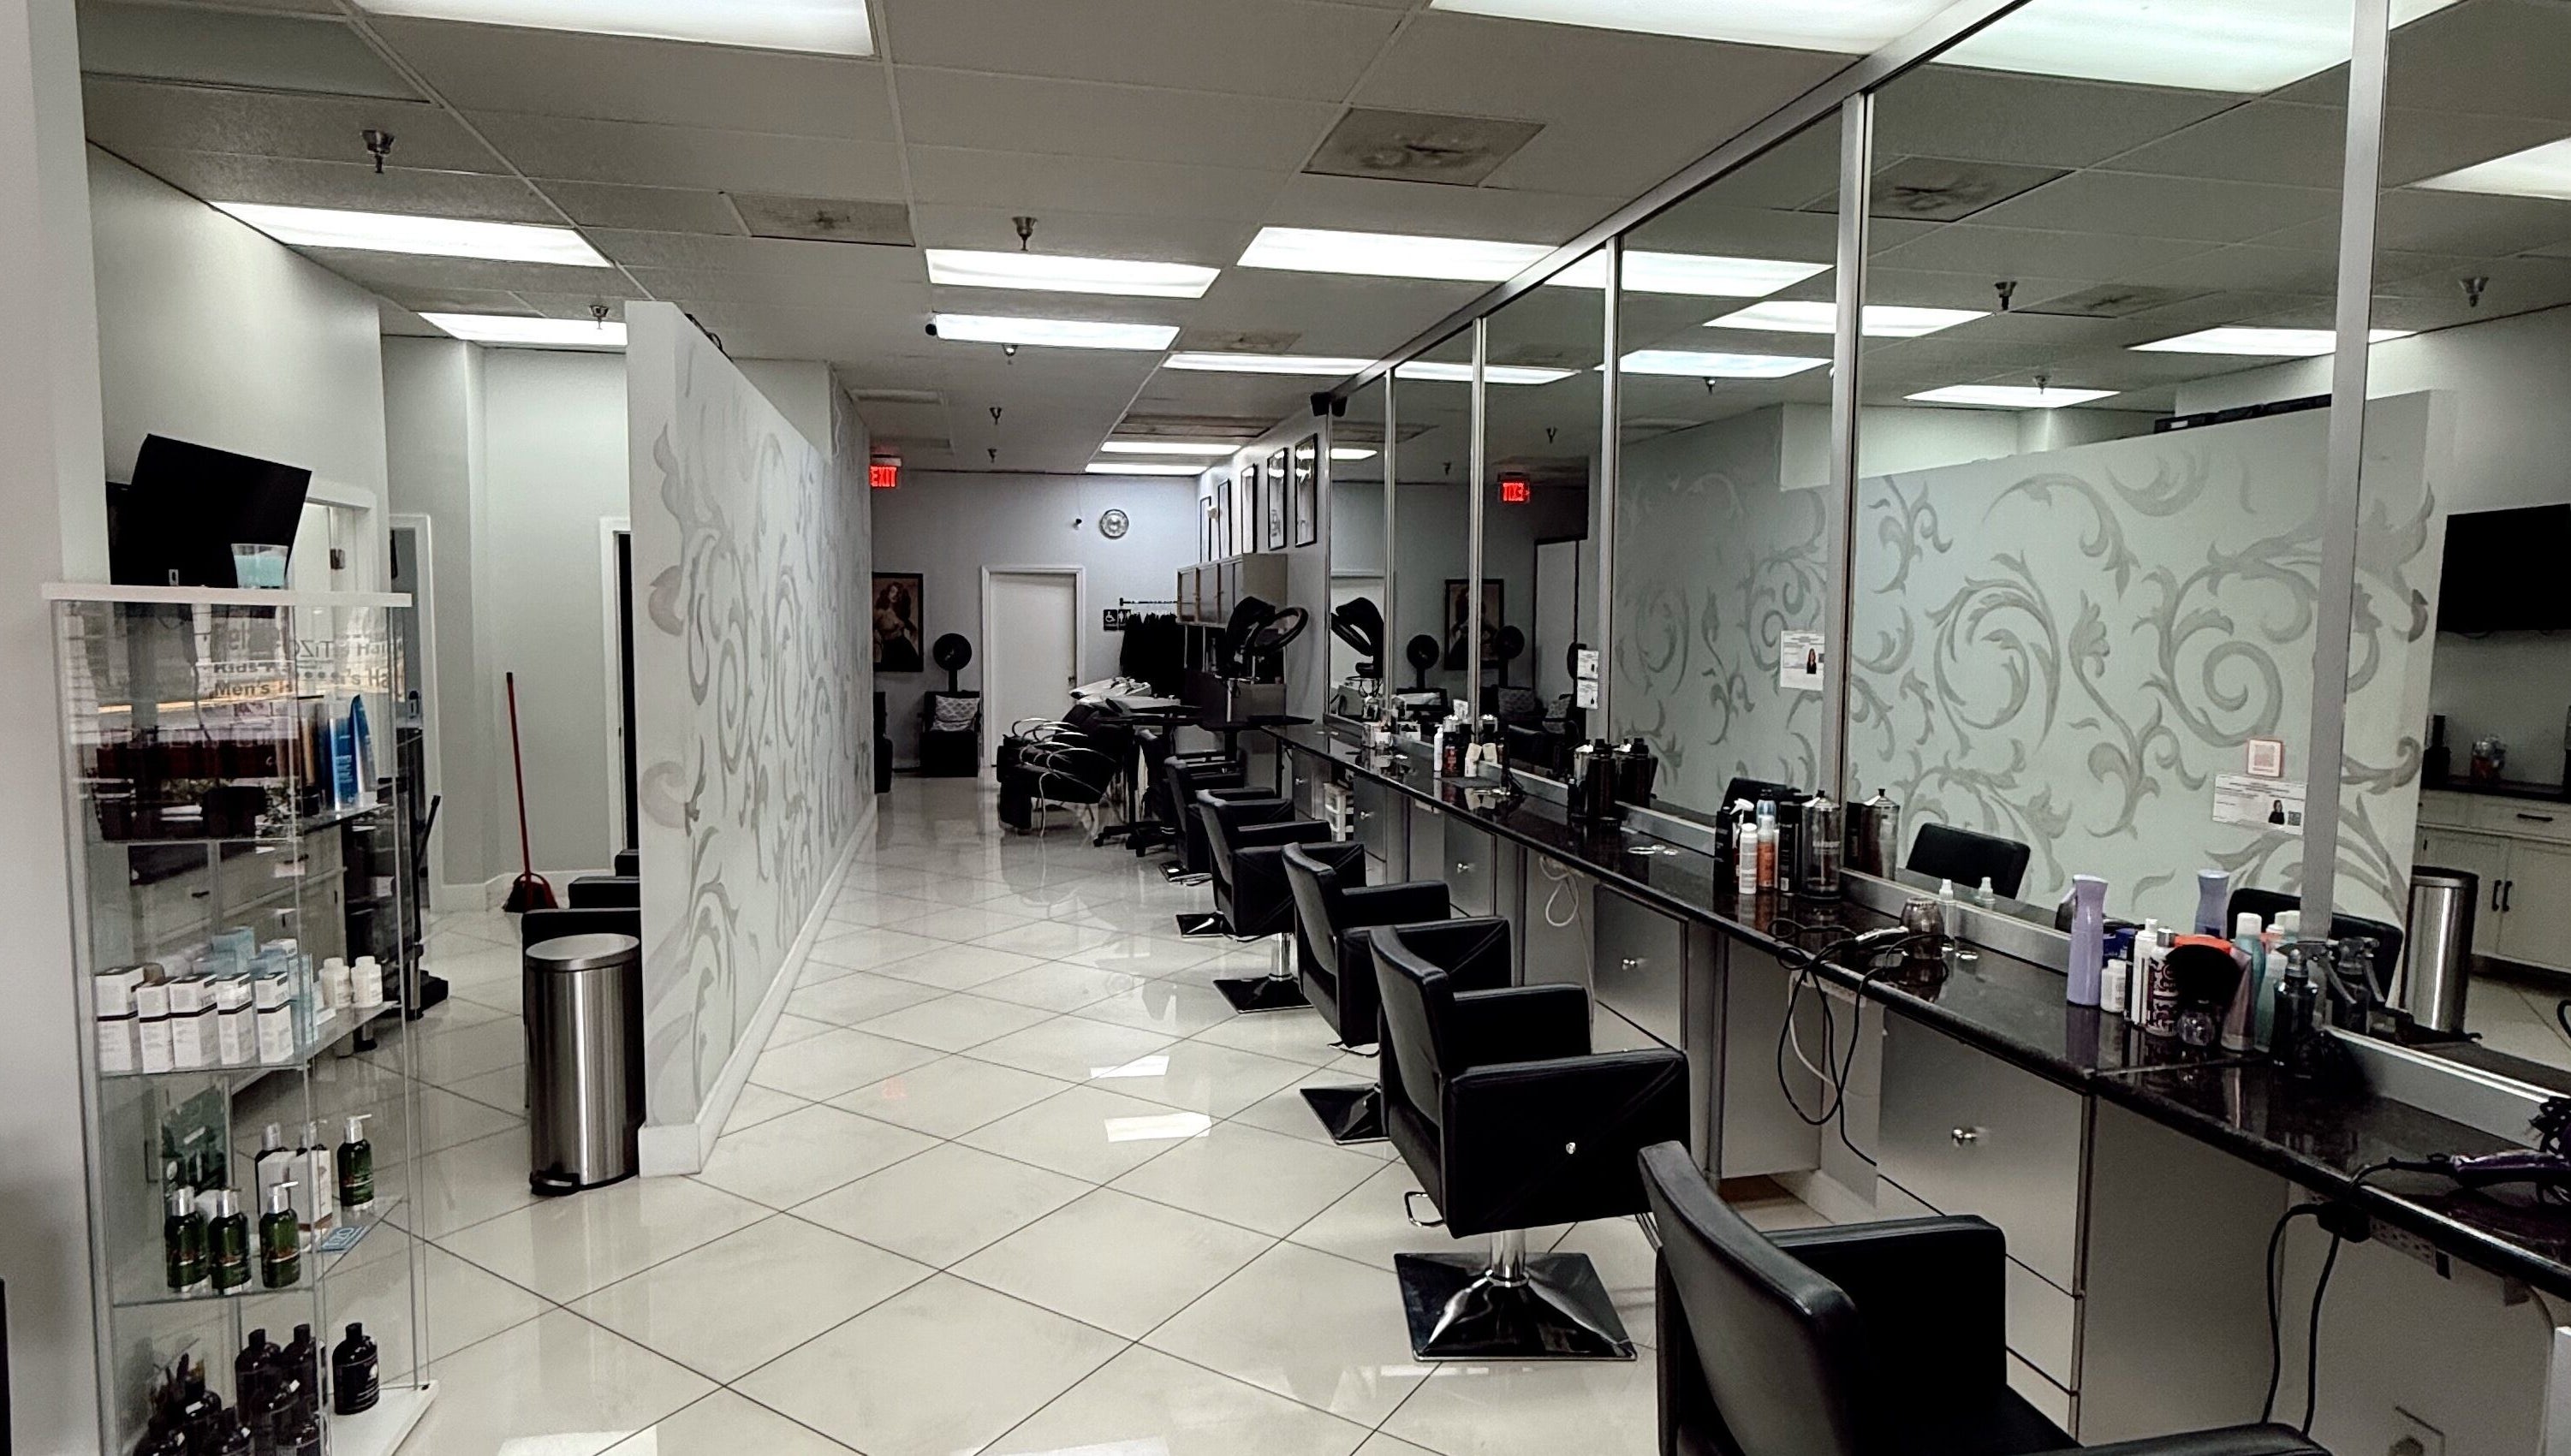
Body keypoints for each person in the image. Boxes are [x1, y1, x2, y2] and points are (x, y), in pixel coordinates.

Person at [874, 580, 923, 673]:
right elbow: (869, 630)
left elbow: (914, 630)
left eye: (898, 593)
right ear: (887, 593)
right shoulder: (880, 612)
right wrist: (878, 644)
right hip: (890, 649)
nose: (895, 595)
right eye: (892, 591)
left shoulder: (900, 614)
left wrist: (913, 643)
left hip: (905, 648)